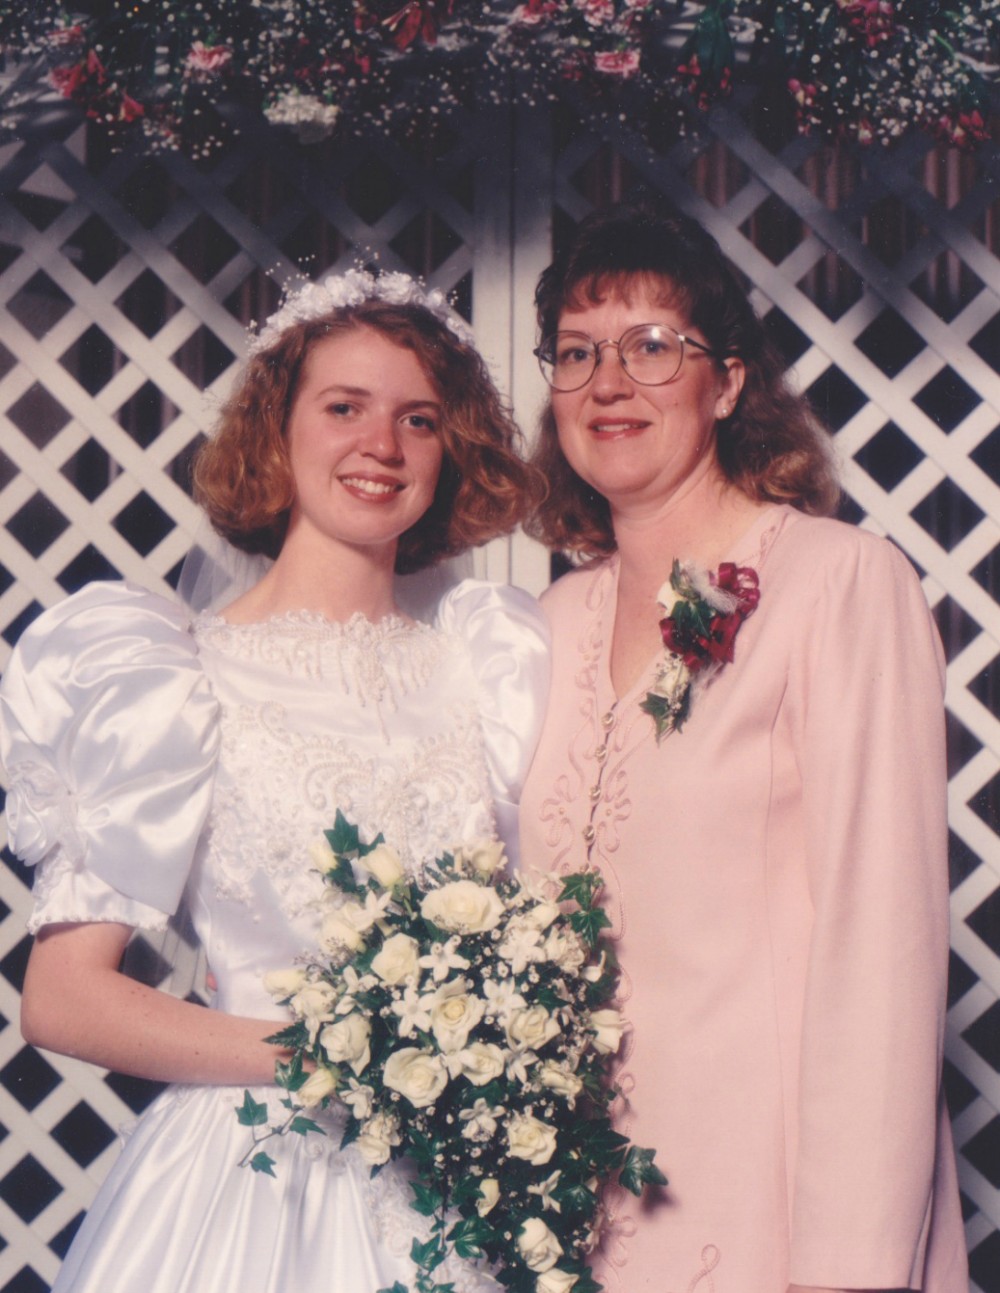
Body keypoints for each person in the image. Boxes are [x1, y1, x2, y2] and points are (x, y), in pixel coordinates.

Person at [2, 269, 549, 1293]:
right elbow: (64, 1002)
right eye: (344, 408)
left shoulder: (491, 665)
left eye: (418, 420)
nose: (380, 447)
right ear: (276, 428)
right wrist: (338, 1054)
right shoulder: (171, 677)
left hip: (457, 1188)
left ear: (450, 450)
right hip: (248, 1186)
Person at [518, 202, 967, 1293]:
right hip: (569, 1211)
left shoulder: (837, 583)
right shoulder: (543, 627)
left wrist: (849, 1267)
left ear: (726, 384)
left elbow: (884, 948)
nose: (608, 383)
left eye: (651, 347)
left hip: (770, 1203)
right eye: (576, 354)